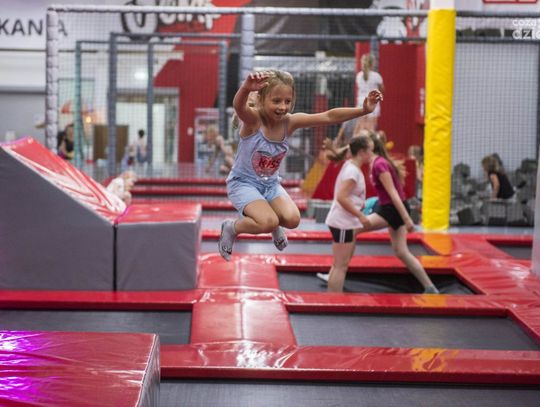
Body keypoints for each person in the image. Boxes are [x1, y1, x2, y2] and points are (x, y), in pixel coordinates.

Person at [218, 70, 383, 262]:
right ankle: (231, 227)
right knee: (267, 222)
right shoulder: (253, 121)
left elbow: (329, 116)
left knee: (293, 219)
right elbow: (239, 106)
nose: (282, 107)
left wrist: (363, 110)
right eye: (276, 101)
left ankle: (275, 224)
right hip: (243, 183)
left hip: (270, 184)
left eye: (287, 101)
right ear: (262, 100)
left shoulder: (289, 122)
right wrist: (246, 88)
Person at [318, 133, 439, 294]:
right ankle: (430, 287)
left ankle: (339, 269)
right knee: (401, 252)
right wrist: (333, 149)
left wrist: (407, 219)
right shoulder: (366, 161)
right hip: (388, 207)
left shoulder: (379, 164)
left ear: (369, 149)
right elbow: (349, 151)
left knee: (353, 230)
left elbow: (393, 194)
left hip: (392, 210)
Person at [323, 137, 372, 292]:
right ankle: (334, 298)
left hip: (344, 221)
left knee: (339, 265)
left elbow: (342, 154)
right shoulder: (352, 172)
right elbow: (342, 197)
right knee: (340, 266)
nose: (372, 154)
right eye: (370, 150)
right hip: (343, 223)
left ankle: (333, 297)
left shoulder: (351, 165)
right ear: (362, 152)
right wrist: (360, 215)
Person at [354, 54, 384, 133]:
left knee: (360, 126)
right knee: (371, 128)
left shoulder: (359, 75)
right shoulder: (377, 76)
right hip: (373, 102)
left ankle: (356, 140)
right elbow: (382, 90)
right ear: (372, 64)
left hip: (361, 102)